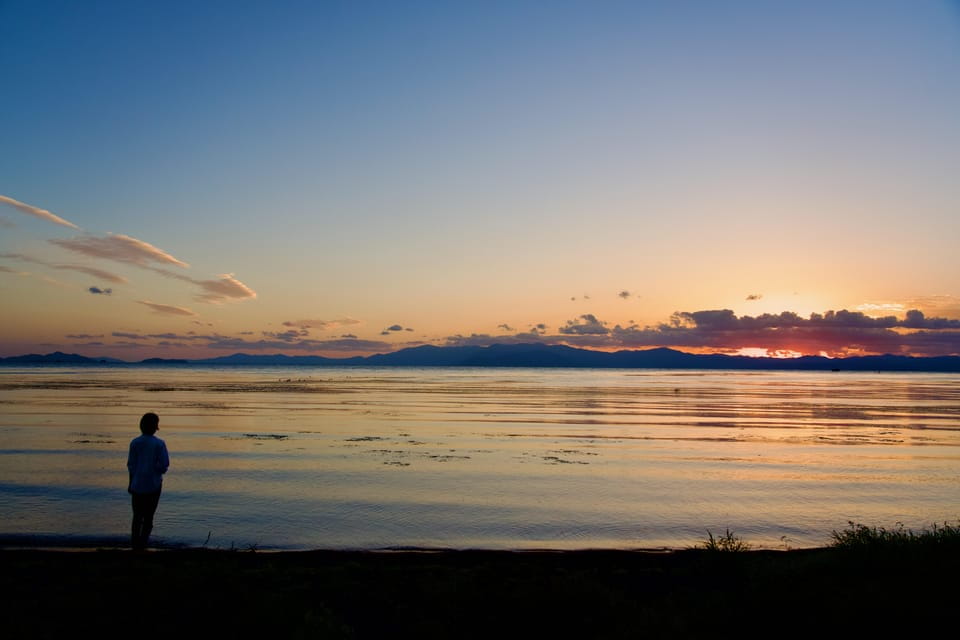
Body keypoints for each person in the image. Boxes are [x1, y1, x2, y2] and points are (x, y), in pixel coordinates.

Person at [127, 412, 170, 550]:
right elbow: (164, 466)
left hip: (137, 484)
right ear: (155, 427)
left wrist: (130, 483)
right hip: (153, 485)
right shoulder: (159, 443)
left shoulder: (135, 442)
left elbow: (131, 466)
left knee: (137, 517)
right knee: (148, 517)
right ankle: (143, 543)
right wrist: (154, 468)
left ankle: (135, 544)